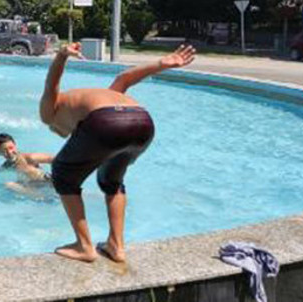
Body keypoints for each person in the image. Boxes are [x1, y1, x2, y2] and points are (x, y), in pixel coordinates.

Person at [40, 42, 196, 263]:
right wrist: (162, 63)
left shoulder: (48, 113)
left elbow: (51, 84)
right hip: (143, 122)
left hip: (105, 123)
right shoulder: (102, 96)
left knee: (63, 173)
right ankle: (116, 245)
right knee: (111, 180)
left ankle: (84, 246)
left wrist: (61, 55)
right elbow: (124, 79)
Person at [0, 133, 54, 198]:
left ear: (15, 145)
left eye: (11, 148)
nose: (9, 152)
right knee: (10, 185)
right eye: (4, 150)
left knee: (9, 185)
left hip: (49, 182)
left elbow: (53, 159)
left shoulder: (29, 158)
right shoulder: (7, 165)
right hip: (35, 185)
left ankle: (43, 198)